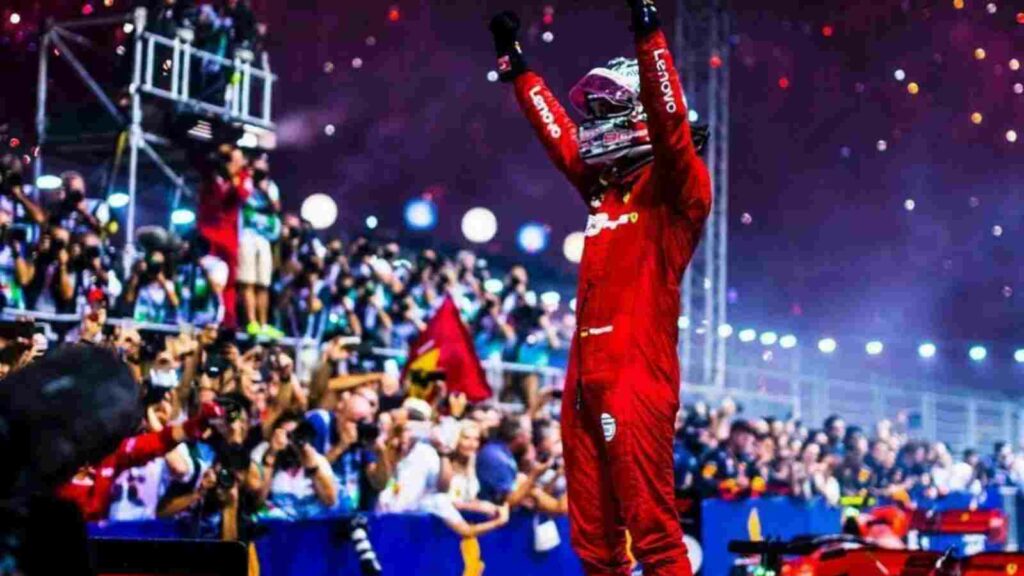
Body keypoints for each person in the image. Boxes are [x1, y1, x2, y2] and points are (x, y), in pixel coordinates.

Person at [489, 0, 712, 572]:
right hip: (583, 383)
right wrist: (518, 67)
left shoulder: (678, 191)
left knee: (655, 536)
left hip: (637, 379)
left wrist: (649, 34)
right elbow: (559, 134)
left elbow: (667, 122)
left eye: (613, 109)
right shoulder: (604, 191)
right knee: (592, 545)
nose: (598, 124)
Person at [197, 143, 252, 329]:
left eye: (234, 159)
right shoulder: (211, 176)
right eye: (227, 159)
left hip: (227, 240)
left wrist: (233, 176)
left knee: (228, 283)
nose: (229, 163)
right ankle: (202, 316)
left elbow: (241, 194)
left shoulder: (244, 177)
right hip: (206, 236)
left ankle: (227, 321)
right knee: (202, 279)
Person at [238, 153, 282, 338]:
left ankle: (263, 324)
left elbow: (276, 208)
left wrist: (263, 190)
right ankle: (251, 322)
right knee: (248, 280)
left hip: (264, 238)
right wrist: (250, 182)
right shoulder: (244, 182)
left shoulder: (271, 187)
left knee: (263, 283)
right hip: (246, 235)